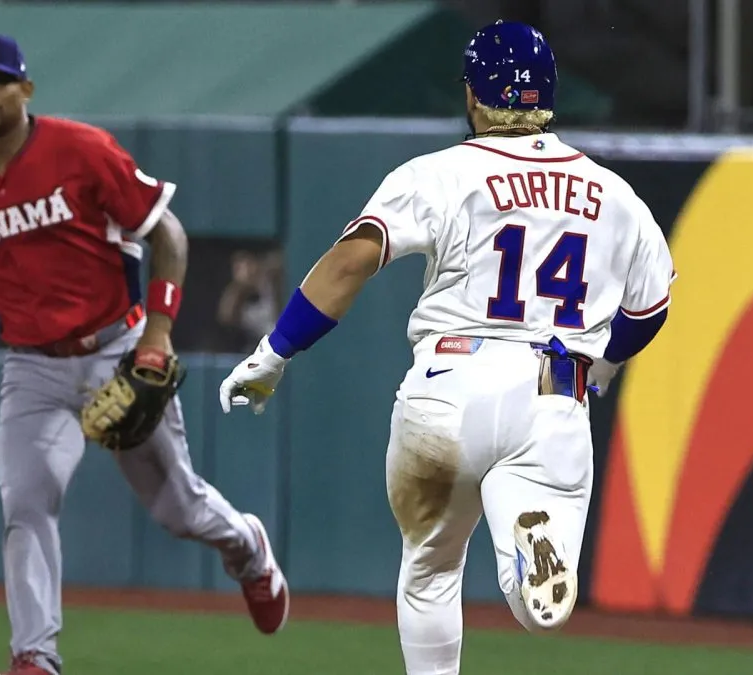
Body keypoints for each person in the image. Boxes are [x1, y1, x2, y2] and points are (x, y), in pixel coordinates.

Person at [218, 20, 675, 675]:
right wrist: (599, 369)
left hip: (449, 382)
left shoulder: (443, 172)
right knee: (537, 593)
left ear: (474, 94)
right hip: (554, 390)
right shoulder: (616, 196)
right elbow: (650, 307)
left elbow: (350, 262)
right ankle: (529, 559)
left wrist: (274, 352)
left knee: (430, 567)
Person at [0, 34, 289, 675]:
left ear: (25, 89)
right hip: (32, 368)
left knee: (179, 509)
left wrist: (158, 334)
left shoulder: (79, 149)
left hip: (118, 346)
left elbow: (167, 232)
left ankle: (247, 548)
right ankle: (35, 656)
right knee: (25, 504)